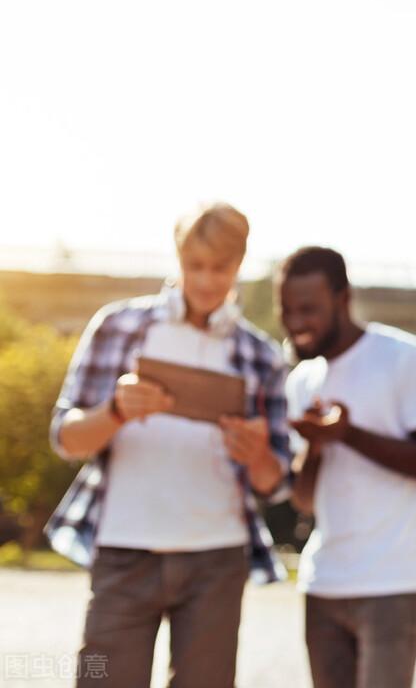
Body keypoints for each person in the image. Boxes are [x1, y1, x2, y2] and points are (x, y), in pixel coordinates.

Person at [45, 202, 292, 688]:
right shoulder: (118, 325)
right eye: (194, 266)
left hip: (217, 560)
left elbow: (276, 482)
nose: (205, 281)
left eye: (219, 268)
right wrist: (115, 410)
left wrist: (257, 453)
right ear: (177, 259)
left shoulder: (261, 356)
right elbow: (64, 438)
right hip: (125, 551)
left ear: (239, 263)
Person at [280, 246, 416, 688]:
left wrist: (349, 435)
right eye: (287, 310)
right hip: (323, 582)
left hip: (393, 581)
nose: (296, 322)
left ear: (344, 299)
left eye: (309, 309)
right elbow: (304, 500)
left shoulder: (405, 357)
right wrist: (318, 447)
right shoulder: (302, 381)